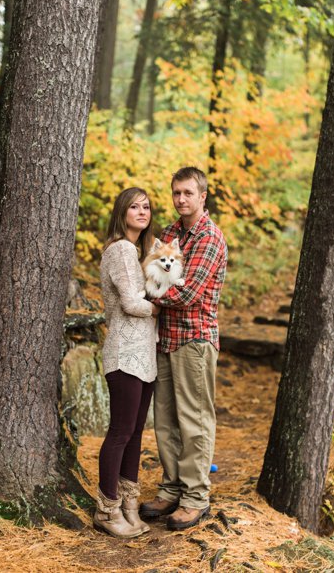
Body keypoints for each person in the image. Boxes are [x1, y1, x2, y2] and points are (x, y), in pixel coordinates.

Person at [139, 167, 228, 531]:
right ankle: (172, 488)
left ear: (202, 196)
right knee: (165, 419)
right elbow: (153, 270)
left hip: (194, 338)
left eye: (188, 193)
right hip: (166, 338)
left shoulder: (209, 238)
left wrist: (149, 299)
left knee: (194, 420)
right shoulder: (171, 233)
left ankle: (195, 498)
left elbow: (188, 293)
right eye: (176, 193)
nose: (181, 199)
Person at [96, 187, 160, 538]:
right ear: (121, 212)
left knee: (135, 433)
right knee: (120, 432)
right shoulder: (121, 249)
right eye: (134, 206)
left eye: (146, 206)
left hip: (144, 353)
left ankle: (128, 504)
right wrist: (162, 306)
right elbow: (131, 304)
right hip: (124, 353)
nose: (141, 211)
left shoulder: (140, 252)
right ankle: (107, 509)